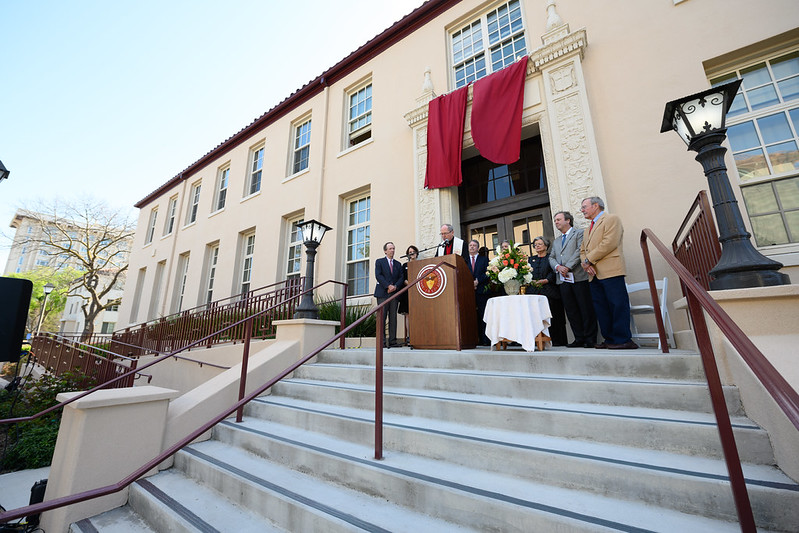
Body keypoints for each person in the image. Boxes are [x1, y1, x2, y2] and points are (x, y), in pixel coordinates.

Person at [579, 196, 638, 349]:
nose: (582, 210)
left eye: (584, 206)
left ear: (596, 205)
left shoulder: (612, 219)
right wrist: (586, 264)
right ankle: (610, 339)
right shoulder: (587, 229)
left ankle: (623, 340)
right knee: (602, 307)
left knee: (617, 304)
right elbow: (583, 250)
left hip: (611, 270)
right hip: (593, 274)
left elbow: (609, 243)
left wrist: (588, 260)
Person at [550, 211, 598, 348]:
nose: (556, 222)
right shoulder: (557, 241)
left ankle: (590, 339)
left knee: (585, 308)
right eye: (555, 220)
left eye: (559, 219)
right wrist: (558, 267)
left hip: (578, 277)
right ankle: (579, 338)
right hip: (563, 280)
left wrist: (567, 267)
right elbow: (551, 257)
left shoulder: (579, 234)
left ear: (568, 221)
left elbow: (580, 251)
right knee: (571, 311)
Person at [528, 236, 567, 346]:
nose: (537, 246)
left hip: (550, 292)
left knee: (553, 317)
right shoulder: (531, 259)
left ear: (546, 246)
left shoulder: (551, 258)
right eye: (535, 244)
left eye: (540, 244)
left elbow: (554, 271)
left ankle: (557, 341)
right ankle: (539, 342)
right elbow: (528, 273)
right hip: (534, 292)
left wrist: (546, 280)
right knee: (537, 319)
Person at [373, 241, 404, 348]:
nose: (392, 250)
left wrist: (395, 286)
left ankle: (392, 341)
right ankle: (381, 342)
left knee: (393, 318)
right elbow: (378, 275)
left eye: (393, 248)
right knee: (382, 317)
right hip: (383, 294)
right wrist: (388, 286)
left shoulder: (398, 264)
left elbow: (401, 277)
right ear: (385, 251)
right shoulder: (379, 262)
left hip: (394, 294)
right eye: (390, 249)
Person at [466, 239, 490, 346]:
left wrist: (477, 281)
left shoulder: (484, 259)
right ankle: (473, 339)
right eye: (470, 245)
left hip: (482, 292)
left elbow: (488, 273)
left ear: (477, 248)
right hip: (468, 293)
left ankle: (485, 340)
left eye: (474, 245)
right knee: (471, 316)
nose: (472, 247)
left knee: (483, 315)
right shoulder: (464, 260)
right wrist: (470, 283)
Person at [397, 245, 419, 345]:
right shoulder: (404, 265)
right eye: (410, 251)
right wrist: (410, 284)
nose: (412, 253)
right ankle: (410, 336)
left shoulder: (420, 264)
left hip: (419, 292)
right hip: (407, 292)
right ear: (408, 254)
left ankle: (418, 335)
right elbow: (403, 278)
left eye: (413, 251)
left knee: (418, 314)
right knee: (408, 315)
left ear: (417, 253)